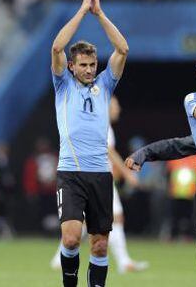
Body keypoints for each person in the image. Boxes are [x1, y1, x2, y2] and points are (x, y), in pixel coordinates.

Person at [51, 0, 129, 287]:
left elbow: (122, 49)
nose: (89, 69)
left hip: (100, 174)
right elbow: (56, 47)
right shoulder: (63, 86)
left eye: (92, 64)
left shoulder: (105, 85)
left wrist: (99, 14)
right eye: (83, 64)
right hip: (70, 172)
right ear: (71, 66)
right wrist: (83, 9)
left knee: (99, 244)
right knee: (70, 239)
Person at [125, 53, 196, 286]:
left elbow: (181, 145)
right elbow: (181, 143)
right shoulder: (193, 99)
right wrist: (144, 152)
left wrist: (145, 152)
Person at [50, 97, 148, 274]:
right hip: (98, 180)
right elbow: (109, 152)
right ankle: (123, 262)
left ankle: (60, 257)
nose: (118, 109)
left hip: (99, 178)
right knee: (111, 218)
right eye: (116, 105)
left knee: (93, 221)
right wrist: (127, 174)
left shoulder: (100, 124)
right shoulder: (102, 123)